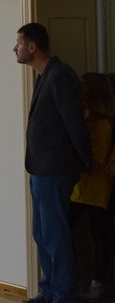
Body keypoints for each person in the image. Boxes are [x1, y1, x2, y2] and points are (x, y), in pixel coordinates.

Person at [14, 22, 92, 303]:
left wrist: (86, 162)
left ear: (32, 46)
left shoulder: (60, 76)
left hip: (55, 170)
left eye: (19, 43)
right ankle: (49, 290)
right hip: (40, 170)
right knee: (42, 234)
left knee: (55, 236)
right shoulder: (44, 75)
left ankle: (64, 295)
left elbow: (75, 124)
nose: (15, 48)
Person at [70, 73, 114, 301]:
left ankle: (97, 282)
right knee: (71, 232)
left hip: (95, 191)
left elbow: (94, 164)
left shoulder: (102, 126)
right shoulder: (89, 122)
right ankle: (78, 279)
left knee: (99, 237)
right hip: (81, 189)